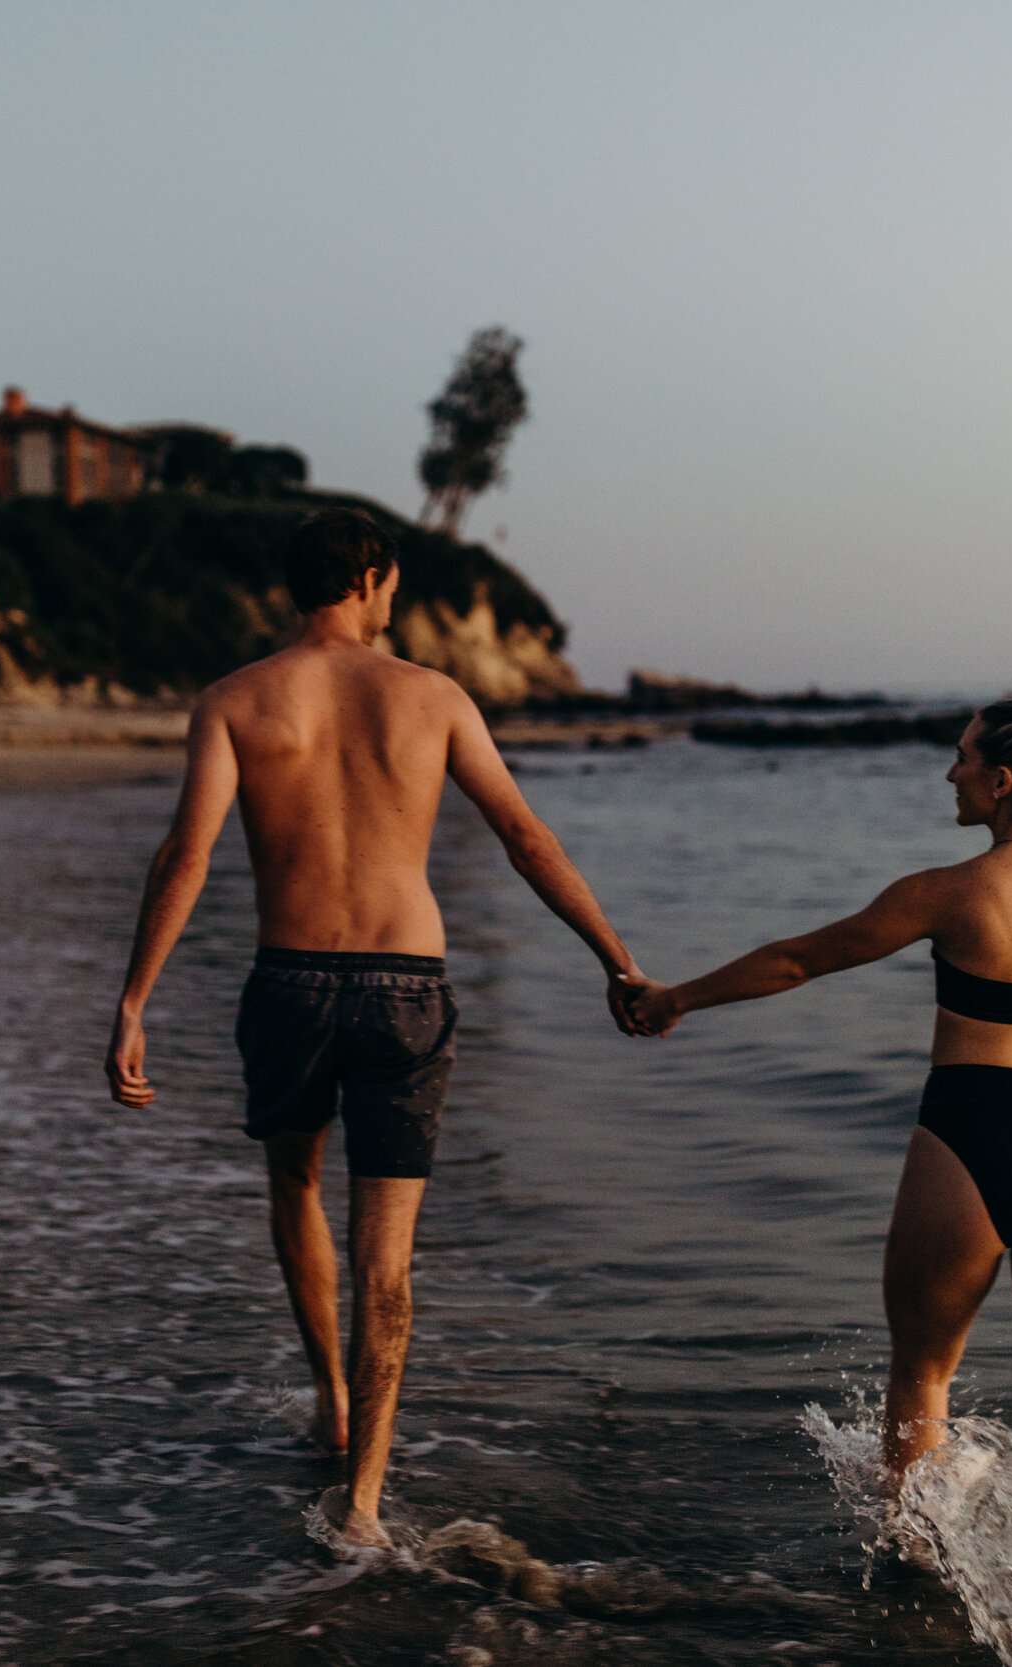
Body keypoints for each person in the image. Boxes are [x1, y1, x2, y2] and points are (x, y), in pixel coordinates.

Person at [105, 508, 646, 1547]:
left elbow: (186, 852)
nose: (394, 593)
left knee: (296, 1184)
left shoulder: (234, 700)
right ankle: (360, 1500)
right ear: (367, 577)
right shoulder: (432, 697)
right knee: (386, 1259)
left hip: (289, 980)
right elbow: (524, 835)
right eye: (390, 579)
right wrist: (614, 958)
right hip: (407, 984)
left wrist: (134, 998)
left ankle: (328, 1397)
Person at [624, 687, 1012, 1619]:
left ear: (999, 780)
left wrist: (677, 999)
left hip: (967, 1136)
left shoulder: (944, 892)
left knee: (921, 1382)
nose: (948, 772)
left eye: (959, 756)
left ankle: (913, 1593)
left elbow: (799, 960)